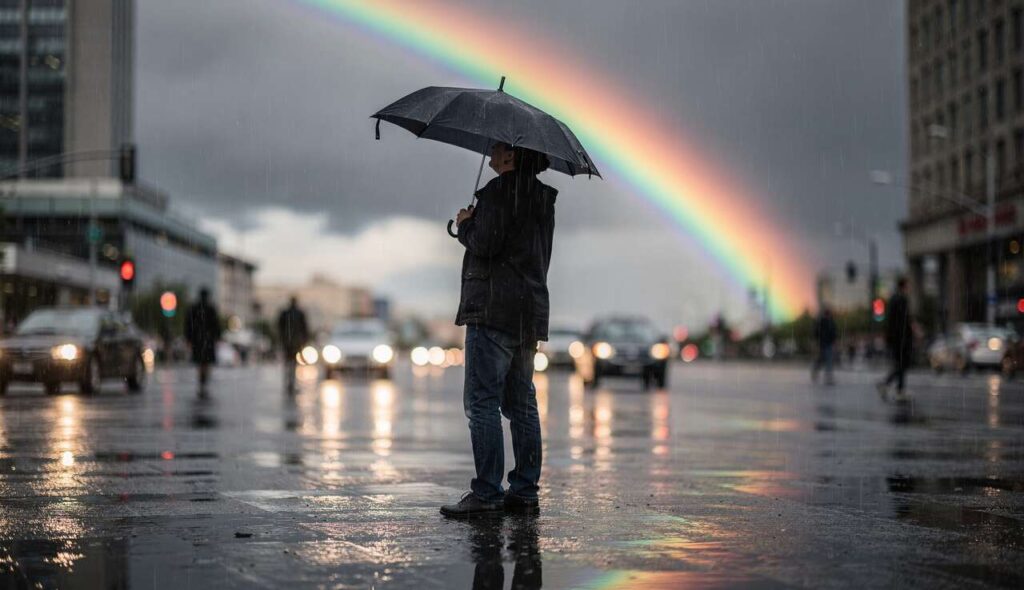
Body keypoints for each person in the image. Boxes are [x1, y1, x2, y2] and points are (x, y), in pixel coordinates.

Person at [440, 142, 557, 518]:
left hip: (492, 310)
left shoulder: (499, 192)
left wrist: (466, 223)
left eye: (497, 147)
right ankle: (524, 491)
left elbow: (487, 244)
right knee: (521, 404)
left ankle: (487, 493)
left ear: (511, 155)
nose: (489, 151)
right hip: (528, 312)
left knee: (482, 402)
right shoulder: (542, 199)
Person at [878, 277, 913, 399]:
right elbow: (904, 320)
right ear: (904, 286)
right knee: (903, 364)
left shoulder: (893, 299)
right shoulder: (901, 299)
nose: (909, 288)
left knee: (900, 364)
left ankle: (895, 388)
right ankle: (894, 388)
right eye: (908, 285)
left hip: (895, 338)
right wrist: (912, 330)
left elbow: (892, 321)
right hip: (901, 338)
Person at [184, 287, 221, 392]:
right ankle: (203, 380)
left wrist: (189, 338)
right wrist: (216, 337)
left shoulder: (193, 308)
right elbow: (216, 325)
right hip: (208, 340)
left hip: (198, 340)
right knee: (205, 362)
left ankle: (202, 380)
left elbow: (188, 325)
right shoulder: (211, 308)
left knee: (200, 361)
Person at [277, 296, 309, 394]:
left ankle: (289, 383)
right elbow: (304, 328)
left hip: (289, 342)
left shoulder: (286, 313)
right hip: (294, 342)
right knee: (292, 364)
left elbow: (279, 327)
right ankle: (290, 383)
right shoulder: (298, 313)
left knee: (289, 364)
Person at [811, 305, 838, 385]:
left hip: (828, 344)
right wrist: (816, 343)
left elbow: (834, 333)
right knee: (821, 360)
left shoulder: (831, 322)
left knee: (829, 360)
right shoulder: (821, 322)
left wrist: (834, 343)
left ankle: (828, 378)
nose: (828, 315)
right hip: (822, 344)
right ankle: (816, 370)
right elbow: (816, 333)